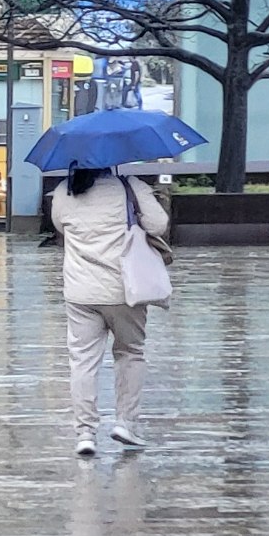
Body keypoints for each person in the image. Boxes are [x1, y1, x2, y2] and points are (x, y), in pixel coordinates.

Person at [47, 166, 170, 456]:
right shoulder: (130, 187)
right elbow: (158, 225)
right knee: (130, 352)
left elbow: (60, 226)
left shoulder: (66, 190)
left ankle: (85, 433)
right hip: (125, 290)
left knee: (82, 361)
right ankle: (126, 422)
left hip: (80, 291)